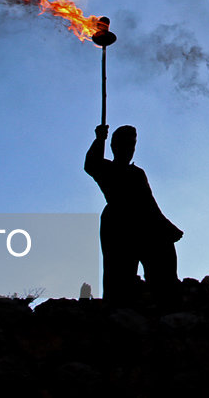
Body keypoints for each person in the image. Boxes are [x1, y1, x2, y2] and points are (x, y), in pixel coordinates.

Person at [84, 124, 183, 304]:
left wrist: (166, 225)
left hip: (145, 224)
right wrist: (99, 140)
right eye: (125, 143)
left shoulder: (137, 173)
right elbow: (91, 164)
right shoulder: (107, 168)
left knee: (163, 262)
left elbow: (149, 202)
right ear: (114, 146)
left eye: (133, 144)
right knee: (119, 275)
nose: (130, 148)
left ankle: (166, 302)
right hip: (118, 223)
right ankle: (119, 309)